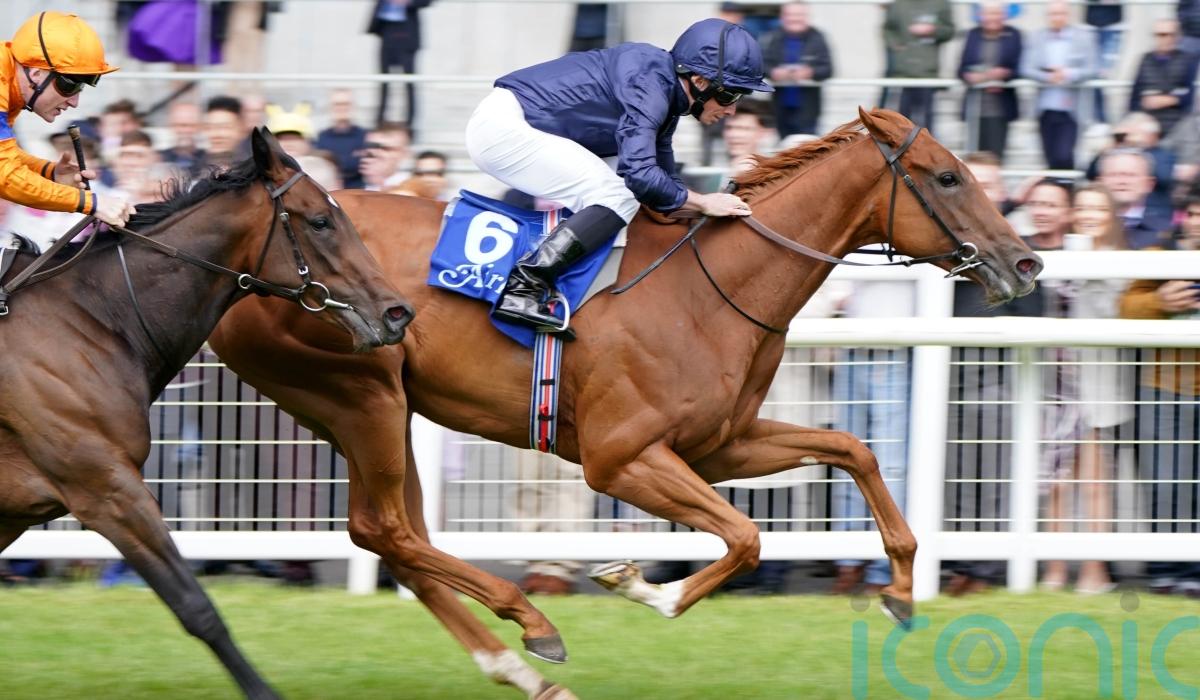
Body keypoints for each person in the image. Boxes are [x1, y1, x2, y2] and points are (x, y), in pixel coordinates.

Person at [464, 18, 771, 336]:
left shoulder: (664, 91)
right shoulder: (649, 87)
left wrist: (702, 206)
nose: (732, 110)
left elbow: (663, 181)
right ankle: (523, 288)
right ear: (700, 81)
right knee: (617, 195)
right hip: (504, 128)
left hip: (522, 123)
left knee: (631, 196)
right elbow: (640, 176)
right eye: (730, 96)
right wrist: (703, 202)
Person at [1039, 183, 1130, 594]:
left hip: (1095, 387)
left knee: (1094, 482)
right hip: (1056, 387)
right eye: (1083, 209)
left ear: (1111, 217)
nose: (1089, 216)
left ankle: (1095, 571)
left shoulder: (1120, 260)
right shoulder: (1058, 256)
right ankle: (1055, 569)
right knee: (1056, 481)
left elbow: (1113, 312)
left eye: (1099, 209)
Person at [1118, 193, 1200, 597]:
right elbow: (1126, 307)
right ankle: (1165, 570)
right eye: (1195, 214)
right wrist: (1159, 301)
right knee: (1166, 482)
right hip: (1166, 387)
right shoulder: (1158, 254)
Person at [0, 11, 135, 228]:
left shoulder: (9, 80)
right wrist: (89, 202)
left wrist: (49, 172)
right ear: (36, 74)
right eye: (70, 85)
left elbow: (6, 158)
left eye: (81, 87)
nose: (74, 102)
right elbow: (5, 176)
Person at [1020, 0, 1097, 170]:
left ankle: (1066, 185)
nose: (1057, 18)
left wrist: (1068, 74)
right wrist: (1047, 77)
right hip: (1045, 107)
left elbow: (1092, 68)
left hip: (1072, 108)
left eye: (1061, 13)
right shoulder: (1036, 37)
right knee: (1049, 156)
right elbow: (1026, 68)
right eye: (1053, 14)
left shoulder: (1083, 37)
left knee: (1065, 155)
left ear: (1068, 15)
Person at [758, 2, 833, 139]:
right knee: (783, 145)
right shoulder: (772, 37)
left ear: (806, 16)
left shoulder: (817, 37)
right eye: (790, 14)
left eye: (798, 14)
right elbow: (761, 65)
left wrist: (809, 72)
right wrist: (774, 72)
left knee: (807, 145)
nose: (794, 18)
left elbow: (827, 69)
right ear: (782, 17)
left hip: (808, 107)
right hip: (780, 105)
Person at [957, 1, 1022, 160]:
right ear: (980, 16)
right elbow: (961, 69)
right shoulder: (973, 35)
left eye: (996, 13)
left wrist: (1004, 75)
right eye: (988, 14)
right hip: (976, 106)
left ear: (1004, 16)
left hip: (1000, 106)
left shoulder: (1013, 35)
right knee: (974, 156)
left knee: (996, 156)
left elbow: (1019, 68)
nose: (992, 18)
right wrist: (971, 76)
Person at [882, 0, 955, 134]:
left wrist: (933, 30)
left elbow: (949, 31)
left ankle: (926, 146)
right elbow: (888, 29)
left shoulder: (941, 4)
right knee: (903, 122)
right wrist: (896, 47)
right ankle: (905, 147)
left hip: (927, 72)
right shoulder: (899, 4)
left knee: (926, 120)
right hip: (903, 72)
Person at [1128, 19, 1198, 139]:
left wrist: (1170, 100)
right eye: (1161, 35)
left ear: (1178, 36)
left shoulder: (1188, 60)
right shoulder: (1145, 59)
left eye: (1171, 35)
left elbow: (1192, 95)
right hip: (1147, 124)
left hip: (1178, 123)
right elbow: (1135, 97)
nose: (1167, 39)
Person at [369, 0, 434, 129]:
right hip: (386, 29)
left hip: (407, 32)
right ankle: (379, 121)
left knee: (409, 82)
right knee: (383, 81)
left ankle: (410, 124)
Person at [315, 89, 369, 189]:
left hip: (358, 190)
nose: (342, 108)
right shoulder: (322, 137)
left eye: (346, 104)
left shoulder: (365, 136)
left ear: (353, 106)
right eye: (337, 104)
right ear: (330, 107)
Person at [159, 101, 206, 179]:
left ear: (200, 127)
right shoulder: (158, 159)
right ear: (170, 126)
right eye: (179, 125)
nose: (185, 131)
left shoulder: (211, 160)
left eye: (191, 125)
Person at [359, 122, 411, 191]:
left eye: (385, 149)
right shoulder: (353, 186)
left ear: (404, 154)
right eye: (370, 146)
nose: (375, 153)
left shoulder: (412, 190)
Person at [202, 95, 245, 173]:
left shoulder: (255, 170)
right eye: (209, 127)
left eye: (225, 127)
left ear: (241, 129)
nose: (216, 135)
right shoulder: (190, 171)